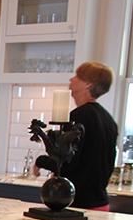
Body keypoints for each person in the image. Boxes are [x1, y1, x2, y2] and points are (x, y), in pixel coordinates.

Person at [34, 62, 118, 211]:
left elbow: (67, 161)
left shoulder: (79, 117)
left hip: (76, 204)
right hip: (100, 203)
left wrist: (40, 161)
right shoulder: (108, 119)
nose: (71, 79)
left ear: (88, 84)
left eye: (77, 76)